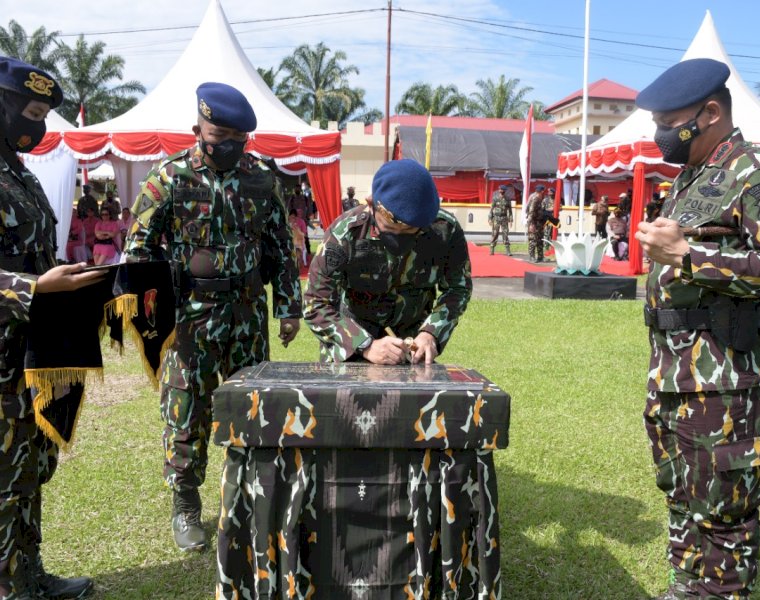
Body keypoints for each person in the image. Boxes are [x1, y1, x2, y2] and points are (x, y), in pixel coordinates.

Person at [634, 58, 760, 600]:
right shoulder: (695, 178)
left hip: (729, 378)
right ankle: (688, 589)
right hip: (679, 372)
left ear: (710, 112)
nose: (661, 133)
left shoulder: (758, 173)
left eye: (668, 121)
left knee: (724, 506)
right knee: (685, 492)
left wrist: (685, 255)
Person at [124, 82, 302, 553]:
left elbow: (282, 248)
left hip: (246, 314)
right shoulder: (169, 177)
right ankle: (185, 504)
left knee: (252, 406)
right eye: (218, 133)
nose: (227, 144)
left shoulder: (262, 178)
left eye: (237, 138)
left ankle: (248, 498)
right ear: (198, 128)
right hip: (190, 318)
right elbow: (138, 250)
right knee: (186, 410)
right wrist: (150, 315)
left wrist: (288, 307)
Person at [0, 55, 103, 600]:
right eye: (32, 112)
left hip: (30, 354)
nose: (38, 127)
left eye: (44, 115)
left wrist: (66, 281)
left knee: (28, 471)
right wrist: (35, 288)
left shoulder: (18, 173)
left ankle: (29, 574)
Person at [303, 159, 472, 365]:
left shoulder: (445, 231)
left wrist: (431, 333)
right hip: (351, 350)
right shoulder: (345, 233)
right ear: (371, 203)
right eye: (390, 229)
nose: (399, 239)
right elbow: (316, 302)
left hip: (411, 351)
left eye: (409, 232)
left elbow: (457, 289)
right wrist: (365, 345)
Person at [488, 184, 513, 255]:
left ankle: (508, 250)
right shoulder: (495, 198)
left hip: (504, 218)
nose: (501, 191)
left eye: (502, 190)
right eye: (500, 189)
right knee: (495, 234)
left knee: (505, 234)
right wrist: (490, 218)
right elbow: (491, 209)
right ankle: (492, 249)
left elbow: (510, 210)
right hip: (496, 218)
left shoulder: (508, 199)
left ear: (504, 191)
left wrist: (511, 220)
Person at [526, 184, 546, 262]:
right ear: (542, 191)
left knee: (540, 240)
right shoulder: (535, 198)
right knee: (533, 239)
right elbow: (531, 211)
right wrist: (531, 224)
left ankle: (540, 256)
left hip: (539, 222)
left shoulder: (538, 197)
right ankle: (532, 257)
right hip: (534, 222)